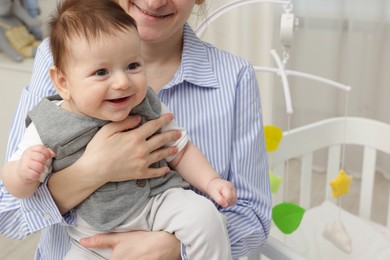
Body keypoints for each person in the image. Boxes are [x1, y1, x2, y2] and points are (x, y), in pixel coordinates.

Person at [0, 0, 272, 259]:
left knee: (204, 214)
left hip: (158, 205)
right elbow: (7, 210)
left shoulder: (219, 81)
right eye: (101, 72)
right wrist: (90, 171)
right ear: (62, 82)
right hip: (88, 240)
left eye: (132, 66)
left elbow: (252, 217)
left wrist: (175, 247)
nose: (121, 83)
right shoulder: (59, 69)